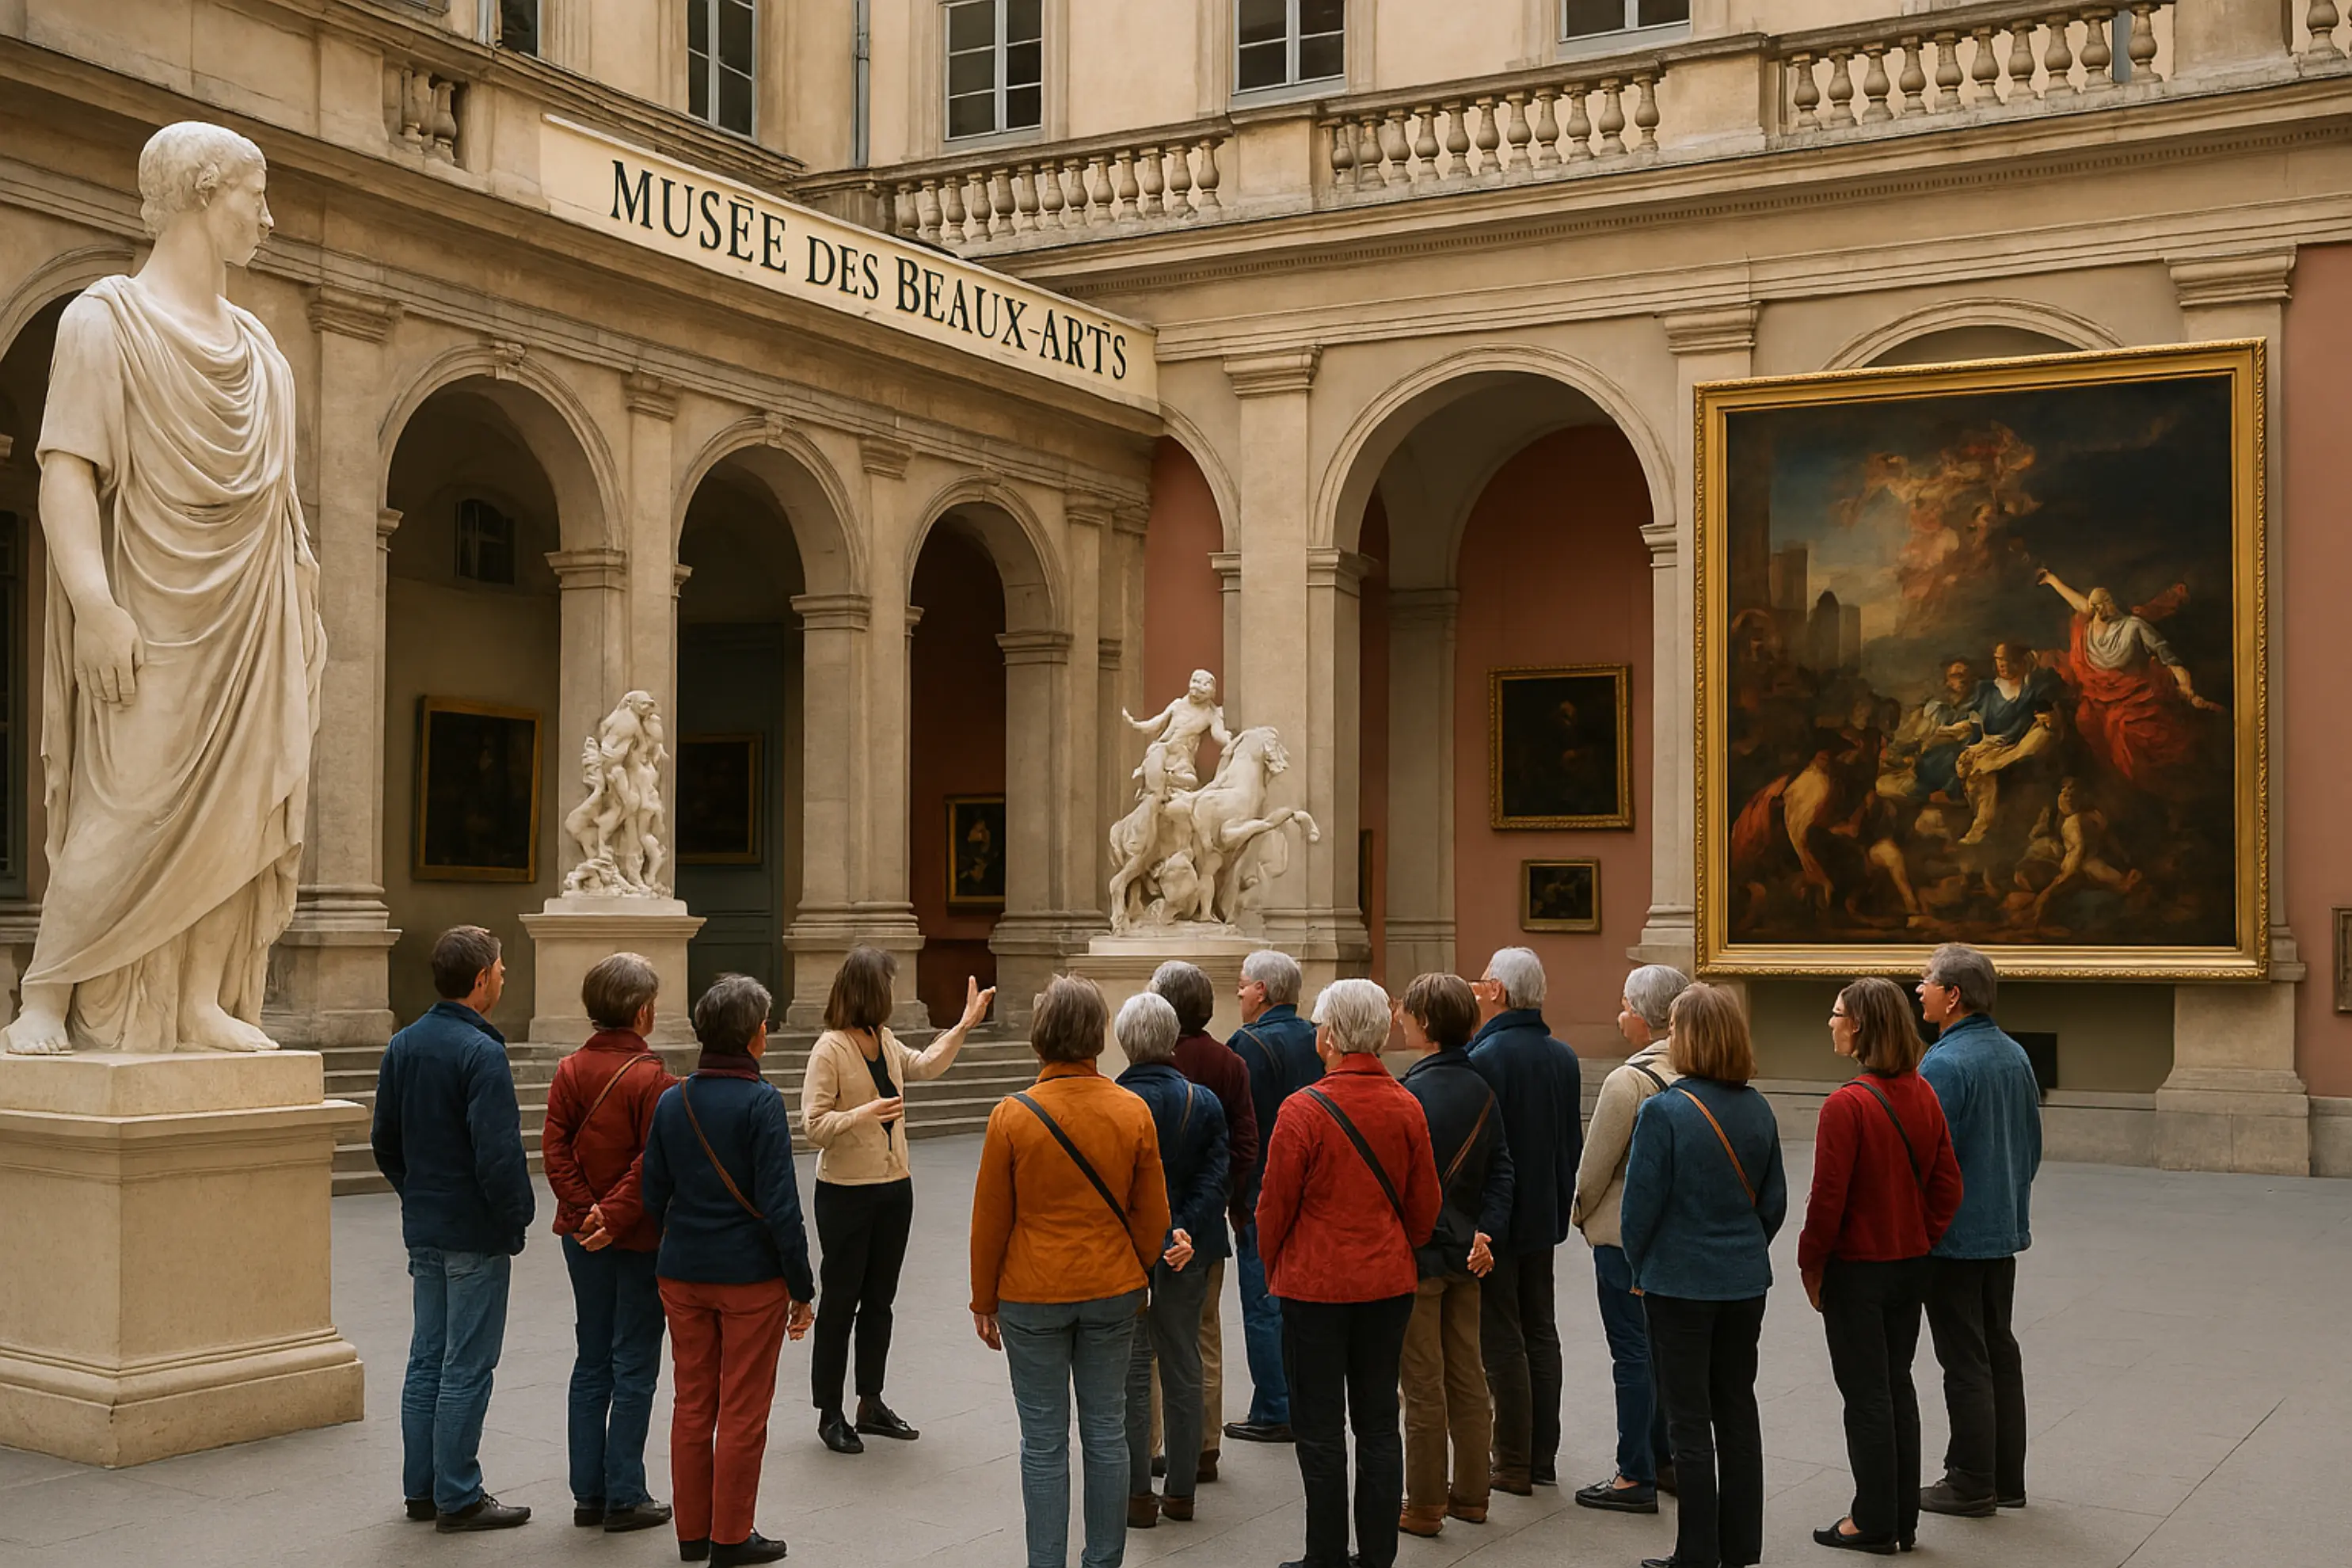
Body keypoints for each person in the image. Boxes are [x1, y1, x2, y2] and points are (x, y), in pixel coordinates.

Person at [971, 976, 1171, 1568]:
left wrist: (985, 1300)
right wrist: (1130, 1261)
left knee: (1043, 1441)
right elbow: (1153, 1214)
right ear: (1097, 1035)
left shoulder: (1012, 1116)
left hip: (1032, 1291)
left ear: (1040, 1038)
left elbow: (991, 1223)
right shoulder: (1131, 1110)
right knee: (1108, 1430)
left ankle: (1046, 1561)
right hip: (1111, 1287)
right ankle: (1104, 1559)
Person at [1256, 978, 1441, 1568]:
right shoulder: (1406, 1104)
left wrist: (1276, 1263)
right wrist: (1395, 1246)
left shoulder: (1303, 1110)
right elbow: (1425, 1205)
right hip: (1386, 1285)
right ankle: (1378, 1555)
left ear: (1331, 1036)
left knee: (1319, 1427)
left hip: (1314, 1288)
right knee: (1379, 1423)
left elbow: (1274, 1206)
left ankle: (1326, 1555)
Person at [641, 975, 816, 1567]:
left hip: (682, 1272)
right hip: (749, 1279)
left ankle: (691, 1533)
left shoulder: (674, 1098)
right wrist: (802, 1285)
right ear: (753, 1035)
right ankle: (731, 1536)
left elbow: (652, 1191)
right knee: (743, 1409)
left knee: (692, 1403)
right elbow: (780, 1205)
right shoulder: (761, 1102)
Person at [371, 926, 535, 1531]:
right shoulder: (482, 1052)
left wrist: (415, 1192)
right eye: (499, 969)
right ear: (479, 981)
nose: (502, 977)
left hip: (426, 1224)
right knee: (466, 1364)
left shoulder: (405, 1044)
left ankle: (423, 1489)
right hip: (472, 1228)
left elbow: (384, 1139)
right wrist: (516, 1217)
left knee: (427, 1360)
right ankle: (459, 1494)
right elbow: (498, 1155)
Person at [800, 946, 995, 1454]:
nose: (891, 992)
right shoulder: (830, 1049)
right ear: (869, 990)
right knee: (841, 1302)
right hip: (845, 1192)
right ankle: (829, 1411)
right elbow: (813, 1126)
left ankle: (870, 1402)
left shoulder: (881, 1039)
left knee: (880, 1301)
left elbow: (925, 1066)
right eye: (886, 984)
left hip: (893, 1188)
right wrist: (863, 1114)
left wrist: (965, 1024)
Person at [1619, 984, 1787, 1568]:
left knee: (1688, 1419)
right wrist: (1742, 1249)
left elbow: (1638, 1211)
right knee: (1737, 1408)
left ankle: (1696, 1551)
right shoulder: (1758, 1107)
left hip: (1678, 1285)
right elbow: (1774, 1204)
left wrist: (1641, 1268)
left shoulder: (1663, 1111)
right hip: (1744, 1283)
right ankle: (1741, 1545)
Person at [1798, 978, 1964, 1555]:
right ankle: (1902, 1517)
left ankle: (1871, 1518)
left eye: (1838, 1013)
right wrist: (1921, 1235)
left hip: (1858, 1268)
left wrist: (1809, 1263)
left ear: (1862, 1026)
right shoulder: (1922, 1093)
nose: (1831, 1022)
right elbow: (1948, 1187)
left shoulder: (1847, 1105)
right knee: (1897, 1386)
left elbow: (1827, 1201)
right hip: (1910, 1264)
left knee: (1865, 1394)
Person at [540, 951, 678, 1535]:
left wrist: (583, 1212)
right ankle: (625, 1492)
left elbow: (555, 1149)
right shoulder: (655, 1079)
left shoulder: (569, 1069)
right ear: (644, 1013)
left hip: (583, 1238)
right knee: (636, 1363)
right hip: (639, 1237)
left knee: (591, 1358)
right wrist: (615, 1216)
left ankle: (587, 1494)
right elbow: (653, 1164)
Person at [1916, 943, 2043, 1519]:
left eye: (1927, 980)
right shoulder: (2015, 1054)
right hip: (2001, 1226)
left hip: (1955, 1235)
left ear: (1953, 995)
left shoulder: (1943, 1064)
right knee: (1998, 1349)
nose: (1919, 989)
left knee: (1963, 1357)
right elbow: (2032, 1145)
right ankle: (2005, 1476)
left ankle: (1970, 1479)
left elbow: (1926, 1156)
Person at [1570, 963, 1692, 1516]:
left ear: (1644, 1017)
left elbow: (1595, 1167)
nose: (1620, 1016)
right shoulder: (1700, 1068)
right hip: (1680, 1235)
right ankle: (1666, 1460)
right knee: (1665, 1352)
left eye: (1624, 1005)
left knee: (1631, 1354)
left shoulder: (1629, 1081)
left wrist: (1580, 1214)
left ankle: (1633, 1472)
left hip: (1623, 1236)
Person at [1394, 973, 1513, 1538]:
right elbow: (1502, 1169)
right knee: (1468, 1376)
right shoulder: (1483, 1088)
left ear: (1424, 1024)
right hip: (1469, 1256)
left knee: (1422, 1385)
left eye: (1407, 1012)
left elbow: (1405, 1185)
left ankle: (1422, 1503)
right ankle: (1471, 1494)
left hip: (1421, 1257)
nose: (1400, 1019)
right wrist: (1485, 1233)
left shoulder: (1409, 1093)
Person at [1465, 946, 1584, 1493]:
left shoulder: (1486, 1058)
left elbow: (1484, 1147)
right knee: (1541, 1329)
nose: (1480, 987)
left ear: (1499, 992)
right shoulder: (1562, 1055)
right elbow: (1569, 1141)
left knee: (1503, 1336)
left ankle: (1511, 1460)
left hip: (1498, 1217)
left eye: (1485, 980)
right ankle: (1541, 1456)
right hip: (1544, 1212)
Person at [1113, 992, 1231, 1528]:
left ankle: (1139, 1493)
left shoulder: (1114, 1100)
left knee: (1136, 1369)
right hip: (1190, 1248)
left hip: (1129, 1254)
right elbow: (1216, 1175)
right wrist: (1181, 1228)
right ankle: (1181, 1491)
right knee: (1185, 1364)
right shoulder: (1202, 1100)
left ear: (1125, 1041)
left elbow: (1117, 1189)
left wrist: (1154, 1232)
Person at [1151, 960, 1260, 1482]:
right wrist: (1225, 1198)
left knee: (1152, 1339)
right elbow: (1245, 1144)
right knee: (1204, 1336)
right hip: (1208, 1222)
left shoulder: (1150, 1065)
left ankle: (1153, 1444)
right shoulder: (1229, 1061)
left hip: (1153, 1225)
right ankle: (1204, 1446)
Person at [1224, 947, 1323, 1447]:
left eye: (1243, 984)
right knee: (1305, 1302)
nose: (1238, 992)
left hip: (1262, 1189)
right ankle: (1307, 1400)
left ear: (1262, 990)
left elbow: (1236, 1127)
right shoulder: (1317, 1039)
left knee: (1263, 1301)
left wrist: (1232, 1193)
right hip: (1316, 1189)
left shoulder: (1245, 1045)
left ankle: (1274, 1408)